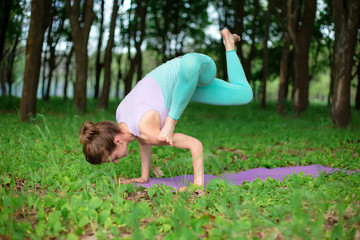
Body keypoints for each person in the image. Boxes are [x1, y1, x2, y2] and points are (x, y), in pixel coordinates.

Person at [79, 29, 253, 187]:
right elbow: (142, 140)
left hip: (196, 67)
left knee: (190, 64)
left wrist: (198, 185)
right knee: (245, 95)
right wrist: (143, 176)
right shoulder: (122, 116)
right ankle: (229, 44)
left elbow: (195, 144)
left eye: (114, 157)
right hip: (187, 88)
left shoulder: (147, 132)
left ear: (117, 141)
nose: (116, 161)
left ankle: (172, 119)